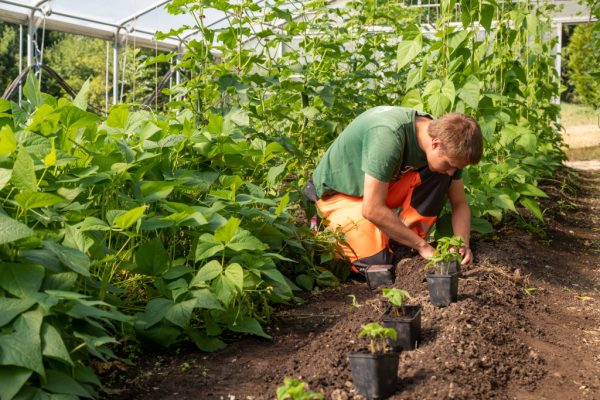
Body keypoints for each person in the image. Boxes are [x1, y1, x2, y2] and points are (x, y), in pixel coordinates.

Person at [305, 106, 483, 278]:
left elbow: (459, 203)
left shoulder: (449, 142)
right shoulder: (387, 137)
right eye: (451, 165)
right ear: (436, 144)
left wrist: (462, 244)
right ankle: (320, 225)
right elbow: (371, 209)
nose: (453, 172)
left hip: (377, 189)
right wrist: (424, 247)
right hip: (340, 194)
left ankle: (401, 244)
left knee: (440, 174)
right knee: (378, 265)